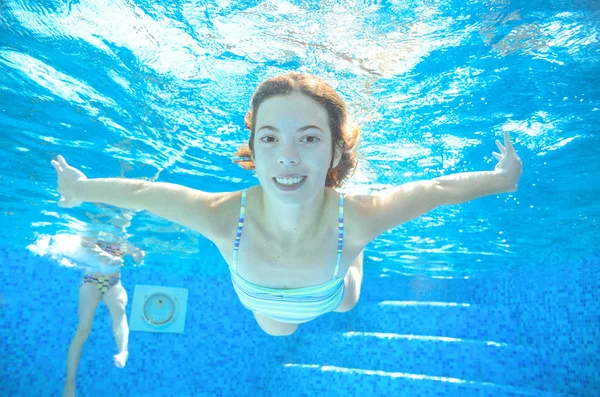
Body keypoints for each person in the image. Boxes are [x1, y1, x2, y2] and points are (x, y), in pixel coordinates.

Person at [51, 72, 522, 337]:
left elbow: (436, 190)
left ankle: (354, 260)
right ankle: (351, 259)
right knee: (279, 330)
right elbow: (143, 195)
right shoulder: (222, 215)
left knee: (346, 302)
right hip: (267, 304)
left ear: (335, 152)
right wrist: (82, 187)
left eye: (310, 138)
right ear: (253, 151)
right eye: (270, 138)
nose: (287, 156)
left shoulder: (357, 217)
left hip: (334, 281)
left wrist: (501, 179)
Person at [62, 217, 144, 397]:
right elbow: (85, 244)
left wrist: (138, 255)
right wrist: (108, 257)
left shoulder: (123, 241)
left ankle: (123, 351)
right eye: (122, 221)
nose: (123, 225)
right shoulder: (96, 230)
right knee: (83, 329)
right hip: (91, 281)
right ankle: (70, 384)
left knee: (120, 312)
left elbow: (137, 255)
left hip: (114, 283)